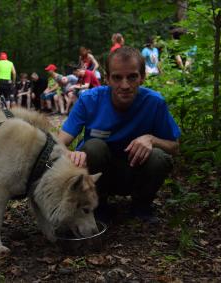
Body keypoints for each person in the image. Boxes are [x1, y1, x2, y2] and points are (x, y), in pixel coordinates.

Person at [58, 46, 180, 223]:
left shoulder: (154, 103)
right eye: (117, 77)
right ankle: (99, 205)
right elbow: (59, 143)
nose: (125, 85)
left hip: (135, 172)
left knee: (159, 156)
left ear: (142, 77)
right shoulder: (89, 100)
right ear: (106, 79)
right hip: (98, 175)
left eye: (132, 77)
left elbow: (175, 147)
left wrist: (151, 139)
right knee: (92, 147)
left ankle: (142, 205)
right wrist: (71, 154)